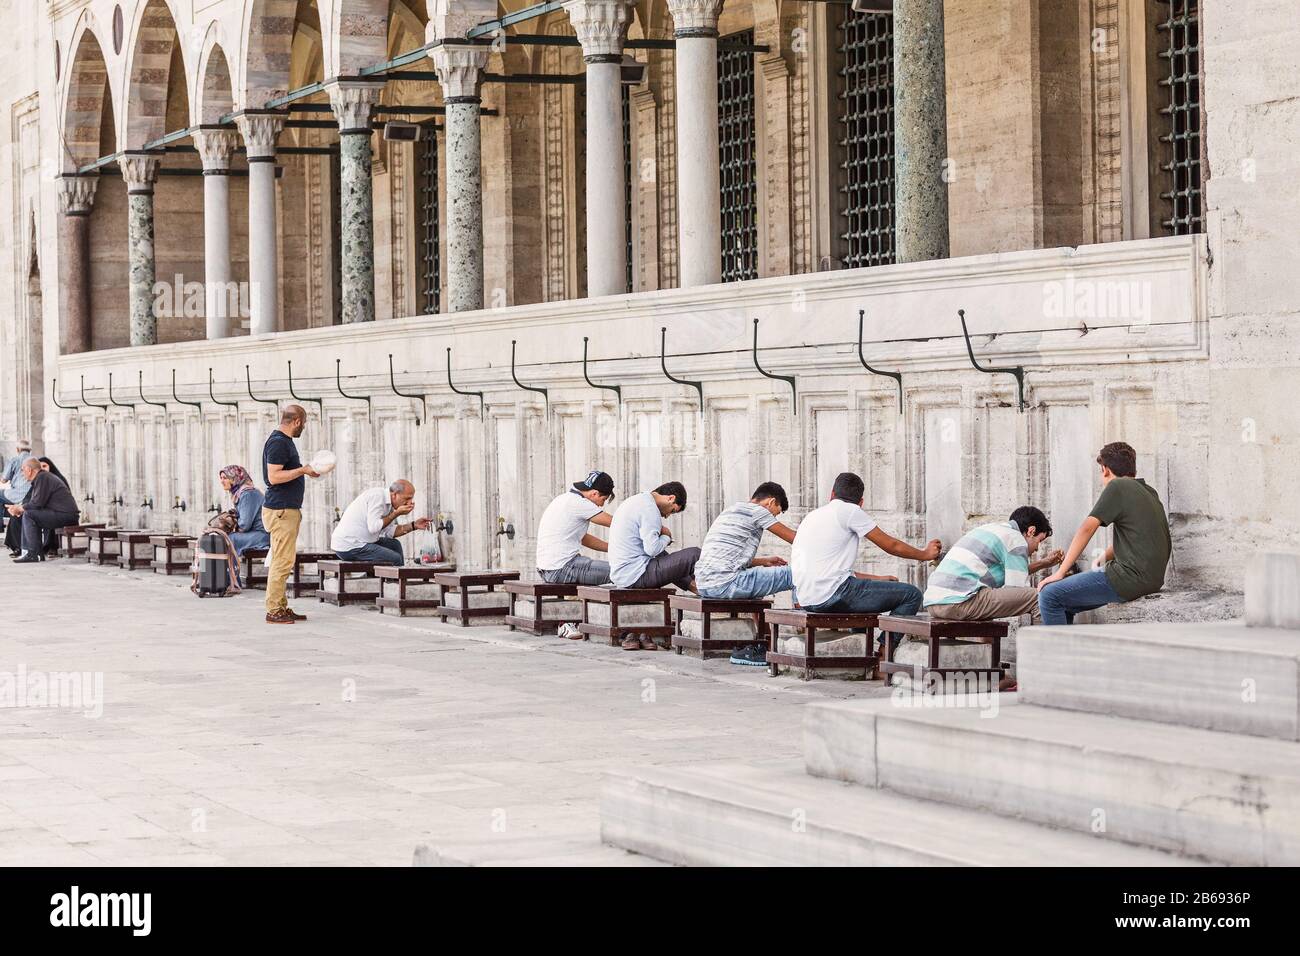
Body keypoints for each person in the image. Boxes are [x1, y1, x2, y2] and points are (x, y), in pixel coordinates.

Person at [791, 472, 941, 653]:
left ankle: (864, 653)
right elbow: (891, 545)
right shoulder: (850, 511)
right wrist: (925, 554)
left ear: (832, 495)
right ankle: (885, 652)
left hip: (807, 599)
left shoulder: (812, 516)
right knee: (912, 595)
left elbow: (832, 572)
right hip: (834, 595)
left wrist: (878, 579)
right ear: (861, 502)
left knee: (859, 597)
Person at [1037, 441, 1171, 625]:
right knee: (1065, 602)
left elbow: (1087, 528)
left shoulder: (1117, 486)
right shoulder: (1149, 491)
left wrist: (1061, 571)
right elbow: (1137, 539)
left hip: (1128, 578)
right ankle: (1067, 650)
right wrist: (1102, 557)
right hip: (1152, 579)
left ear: (1105, 469)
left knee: (1049, 595)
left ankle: (1059, 654)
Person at [923, 506, 1064, 625]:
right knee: (1042, 597)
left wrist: (1043, 563)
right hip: (959, 601)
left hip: (934, 603)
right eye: (1040, 541)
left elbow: (1006, 574)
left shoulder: (991, 529)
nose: (1037, 549)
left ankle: (988, 655)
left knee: (987, 598)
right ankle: (1045, 654)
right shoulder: (1016, 539)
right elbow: (1017, 589)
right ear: (1031, 531)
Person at [608, 482, 698, 650]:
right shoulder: (650, 510)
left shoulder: (636, 501)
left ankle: (695, 587)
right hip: (636, 575)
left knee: (669, 560)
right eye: (672, 511)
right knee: (694, 554)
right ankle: (709, 588)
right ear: (671, 498)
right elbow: (652, 549)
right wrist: (667, 537)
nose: (667, 516)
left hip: (625, 573)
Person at [262, 405, 320, 625]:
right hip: (281, 510)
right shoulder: (278, 442)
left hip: (285, 509)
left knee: (283, 559)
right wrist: (303, 470)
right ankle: (274, 610)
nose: (303, 427)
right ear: (296, 421)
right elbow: (274, 477)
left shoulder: (283, 442)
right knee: (282, 561)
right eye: (303, 423)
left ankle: (281, 606)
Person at [696, 482, 796, 600]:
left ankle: (757, 619)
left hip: (703, 585)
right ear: (771, 502)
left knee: (756, 581)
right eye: (776, 513)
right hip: (727, 584)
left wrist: (764, 561)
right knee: (797, 574)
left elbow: (728, 559)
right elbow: (796, 539)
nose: (773, 518)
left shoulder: (731, 510)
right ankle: (804, 617)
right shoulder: (758, 511)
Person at [535, 471, 615, 586]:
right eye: (603, 499)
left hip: (548, 570)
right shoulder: (579, 503)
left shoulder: (564, 498)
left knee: (619, 570)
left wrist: (612, 548)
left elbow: (584, 538)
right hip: (563, 568)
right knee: (624, 571)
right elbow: (617, 523)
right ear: (595, 494)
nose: (601, 505)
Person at [331, 479, 432, 566]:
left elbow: (390, 532)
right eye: (407, 498)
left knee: (394, 545)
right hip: (350, 546)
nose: (410, 502)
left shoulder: (390, 505)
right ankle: (394, 585)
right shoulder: (377, 497)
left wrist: (414, 525)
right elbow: (374, 527)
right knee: (395, 559)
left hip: (362, 542)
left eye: (411, 498)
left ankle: (395, 581)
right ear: (394, 495)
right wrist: (396, 514)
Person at [8, 458, 79, 563]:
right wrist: (20, 509)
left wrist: (20, 509)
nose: (22, 473)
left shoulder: (43, 477)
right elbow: (35, 503)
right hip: (62, 514)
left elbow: (37, 503)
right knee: (28, 514)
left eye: (22, 470)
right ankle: (33, 553)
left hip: (66, 516)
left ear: (29, 469)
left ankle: (33, 554)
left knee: (29, 514)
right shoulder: (41, 478)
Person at [219, 465, 270, 556]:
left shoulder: (247, 494)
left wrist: (232, 525)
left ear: (235, 478)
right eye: (221, 478)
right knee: (219, 537)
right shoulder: (240, 493)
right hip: (255, 533)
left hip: (261, 535)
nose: (222, 481)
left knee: (226, 539)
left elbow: (245, 525)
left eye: (225, 478)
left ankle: (223, 569)